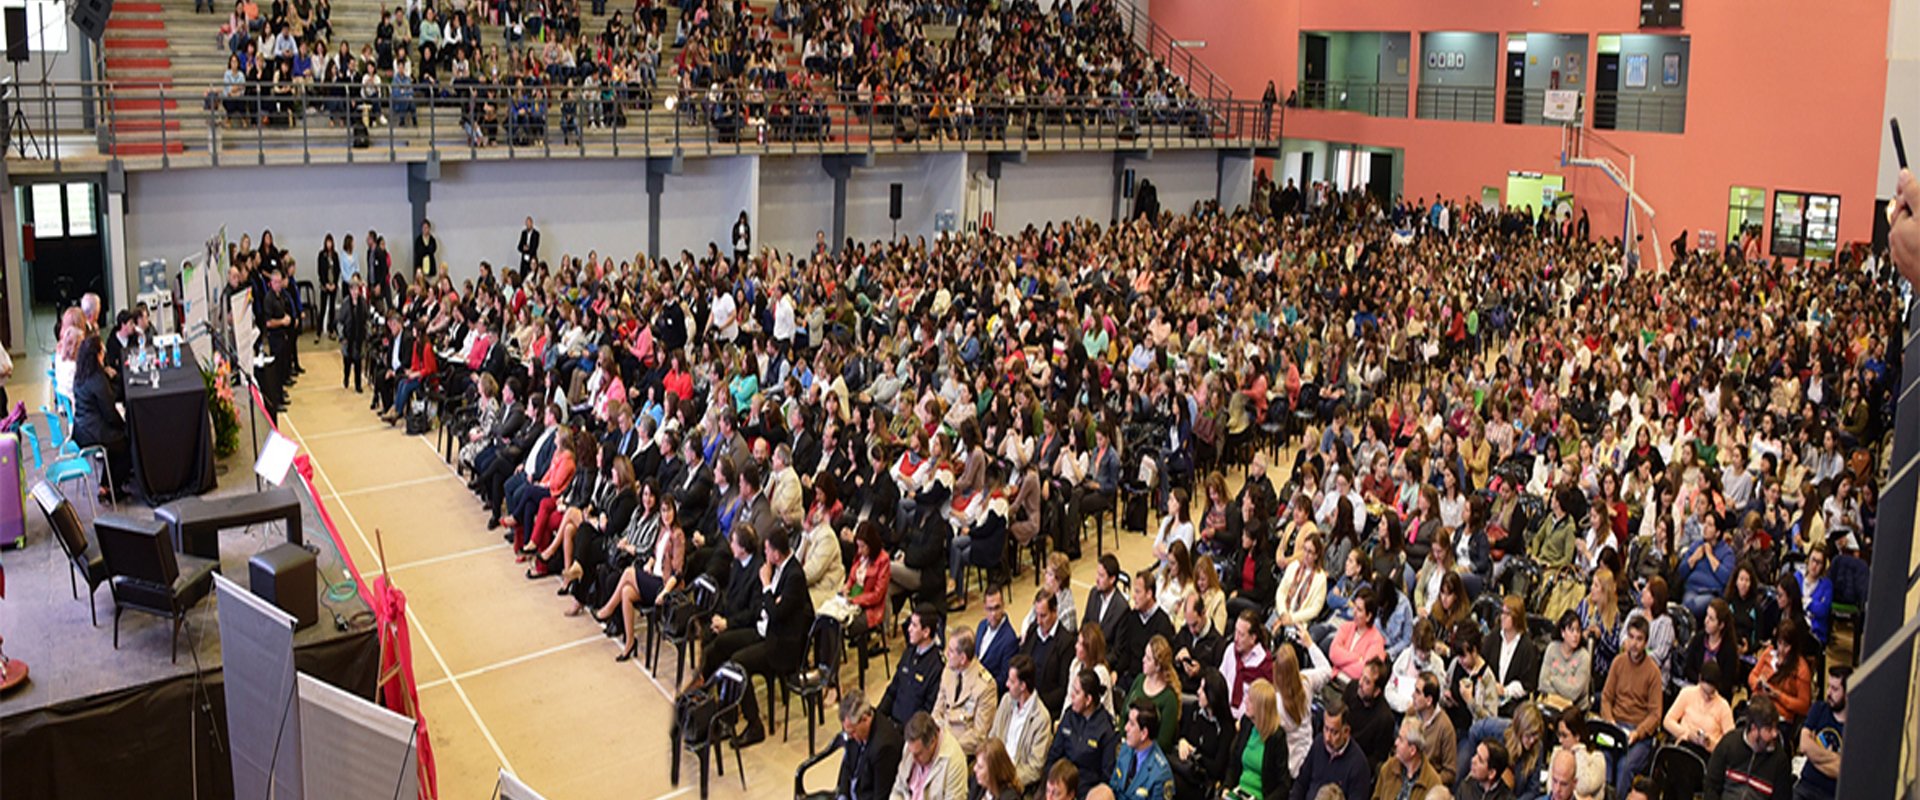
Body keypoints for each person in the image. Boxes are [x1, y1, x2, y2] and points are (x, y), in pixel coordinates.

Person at [1601, 616, 1662, 790]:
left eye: (1639, 639)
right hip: (1615, 725)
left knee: (1625, 766)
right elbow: (1606, 698)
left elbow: (1656, 714)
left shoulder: (1653, 672)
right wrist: (1609, 721)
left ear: (1646, 642)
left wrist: (1638, 733)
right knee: (1603, 759)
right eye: (1631, 637)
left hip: (1638, 732)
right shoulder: (1618, 662)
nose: (1634, 643)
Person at [70, 336, 133, 499]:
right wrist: (124, 425)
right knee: (127, 442)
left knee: (116, 443)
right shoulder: (96, 379)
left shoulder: (82, 374)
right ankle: (113, 488)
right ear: (97, 355)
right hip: (94, 431)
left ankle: (106, 485)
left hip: (82, 429)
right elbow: (109, 412)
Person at [1046, 670, 1119, 799]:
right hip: (1059, 785)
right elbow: (1053, 754)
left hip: (1085, 791)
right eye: (1072, 690)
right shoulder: (1069, 715)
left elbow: (1106, 776)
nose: (1071, 696)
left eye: (1077, 692)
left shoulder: (1106, 729)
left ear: (1088, 699)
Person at [1703, 695, 1792, 800]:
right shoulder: (1729, 743)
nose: (1775, 734)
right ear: (1754, 728)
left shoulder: (1779, 760)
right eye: (1769, 729)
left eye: (1775, 728)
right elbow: (1711, 785)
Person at [931, 625, 998, 757]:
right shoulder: (948, 671)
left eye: (951, 651)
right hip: (939, 741)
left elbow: (979, 735)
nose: (946, 654)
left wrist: (947, 746)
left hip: (962, 752)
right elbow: (937, 710)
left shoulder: (985, 686)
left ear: (962, 658)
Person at [989, 654, 1054, 788]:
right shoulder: (1006, 701)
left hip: (1016, 781)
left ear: (1023, 686)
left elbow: (1035, 768)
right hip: (995, 771)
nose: (1006, 684)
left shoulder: (1041, 718)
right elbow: (993, 737)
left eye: (1011, 682)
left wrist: (1007, 778)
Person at [1292, 696, 1371, 800]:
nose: (1327, 737)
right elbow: (1301, 783)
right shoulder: (1319, 743)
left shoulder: (1358, 766)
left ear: (1346, 732)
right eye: (1326, 728)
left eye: (1334, 732)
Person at [879, 604, 944, 728]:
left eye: (914, 625)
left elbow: (927, 712)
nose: (909, 629)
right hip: (891, 723)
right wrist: (878, 717)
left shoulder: (936, 667)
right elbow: (892, 690)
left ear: (926, 632)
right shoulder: (909, 652)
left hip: (910, 733)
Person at [1170, 671, 1233, 799]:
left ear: (1213, 695)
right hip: (1184, 768)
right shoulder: (1195, 710)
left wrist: (1195, 753)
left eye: (1203, 690)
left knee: (1171, 784)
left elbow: (1217, 768)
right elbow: (1183, 734)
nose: (1198, 692)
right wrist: (1182, 741)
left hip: (1202, 780)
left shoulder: (1226, 728)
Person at [1225, 679, 1291, 799]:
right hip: (1238, 791)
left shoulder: (1276, 737)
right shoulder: (1246, 723)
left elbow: (1284, 785)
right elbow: (1233, 763)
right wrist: (1226, 787)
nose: (1245, 701)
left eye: (1250, 700)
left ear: (1260, 707)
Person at [839, 689, 904, 800]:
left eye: (852, 732)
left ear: (865, 719)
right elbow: (847, 765)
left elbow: (880, 796)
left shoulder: (884, 747)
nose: (849, 737)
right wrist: (842, 796)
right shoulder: (854, 731)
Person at [1794, 665, 1847, 800]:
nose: (1828, 693)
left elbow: (1844, 771)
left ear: (1848, 693)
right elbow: (1804, 745)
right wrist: (1835, 758)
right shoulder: (1819, 708)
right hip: (1806, 785)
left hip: (1831, 795)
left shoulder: (1854, 726)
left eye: (1835, 689)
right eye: (1829, 686)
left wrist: (1814, 756)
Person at [891, 712, 968, 800]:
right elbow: (898, 789)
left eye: (918, 754)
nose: (913, 759)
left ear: (932, 742)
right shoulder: (912, 746)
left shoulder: (954, 762)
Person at [1109, 699, 1175, 800]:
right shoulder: (1125, 749)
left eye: (1131, 724)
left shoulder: (1160, 774)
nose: (1126, 728)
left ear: (1143, 734)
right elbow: (1113, 787)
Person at [1665, 660, 1736, 748]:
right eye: (1704, 691)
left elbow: (1730, 743)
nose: (1706, 697)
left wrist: (1710, 743)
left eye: (1711, 693)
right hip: (1684, 745)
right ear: (1699, 679)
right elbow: (1668, 721)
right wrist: (1687, 734)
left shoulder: (1723, 706)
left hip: (1706, 754)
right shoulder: (1687, 693)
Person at [1369, 718, 1441, 800]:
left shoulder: (1432, 783)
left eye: (1401, 739)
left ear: (1412, 750)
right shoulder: (1389, 768)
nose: (1396, 742)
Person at [974, 588, 1018, 692]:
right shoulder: (981, 625)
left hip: (990, 693)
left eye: (997, 608)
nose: (993, 614)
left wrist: (980, 688)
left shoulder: (1009, 639)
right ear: (984, 607)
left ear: (1003, 605)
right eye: (989, 609)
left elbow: (1004, 679)